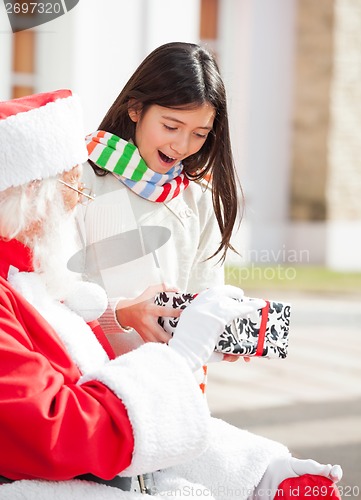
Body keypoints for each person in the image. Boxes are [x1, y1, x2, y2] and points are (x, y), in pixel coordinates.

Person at [0, 90, 342, 500]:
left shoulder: (30, 283)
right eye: (73, 186)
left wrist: (259, 468)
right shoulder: (23, 283)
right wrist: (176, 356)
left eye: (199, 133)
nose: (182, 145)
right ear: (33, 195)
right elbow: (66, 432)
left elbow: (119, 406)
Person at [73, 42, 243, 354]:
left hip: (170, 383)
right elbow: (47, 296)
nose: (181, 145)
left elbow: (205, 298)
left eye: (200, 134)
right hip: (92, 382)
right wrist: (121, 314)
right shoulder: (78, 180)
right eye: (171, 126)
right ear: (135, 108)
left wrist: (224, 337)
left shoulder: (197, 198)